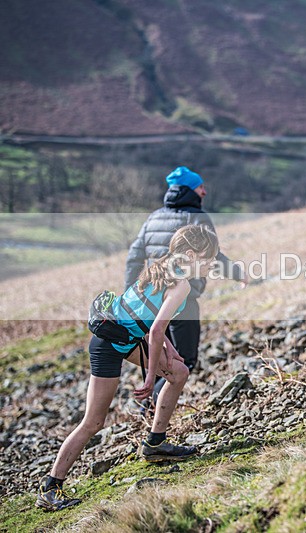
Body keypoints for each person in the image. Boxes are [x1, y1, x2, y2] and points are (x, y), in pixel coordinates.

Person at [36, 225, 220, 511]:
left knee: (180, 372)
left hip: (125, 339)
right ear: (193, 255)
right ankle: (51, 488)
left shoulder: (161, 267)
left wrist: (173, 356)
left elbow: (149, 320)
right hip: (109, 345)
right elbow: (156, 331)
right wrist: (149, 376)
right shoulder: (181, 284)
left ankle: (156, 444)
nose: (212, 264)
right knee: (94, 423)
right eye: (209, 258)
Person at [125, 166, 247, 407]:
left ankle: (150, 410)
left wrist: (132, 293)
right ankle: (152, 412)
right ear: (191, 190)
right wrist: (239, 275)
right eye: (200, 187)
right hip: (183, 301)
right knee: (184, 360)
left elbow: (134, 257)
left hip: (151, 302)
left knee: (161, 358)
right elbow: (215, 255)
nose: (204, 191)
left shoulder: (154, 217)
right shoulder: (197, 218)